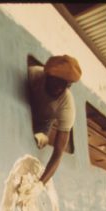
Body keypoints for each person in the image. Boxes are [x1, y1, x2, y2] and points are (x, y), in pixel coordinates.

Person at [27, 55, 82, 187]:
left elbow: (58, 154)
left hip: (42, 125)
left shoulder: (67, 105)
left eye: (64, 85)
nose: (58, 88)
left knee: (38, 141)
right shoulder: (34, 74)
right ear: (47, 75)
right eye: (56, 82)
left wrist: (40, 185)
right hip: (26, 107)